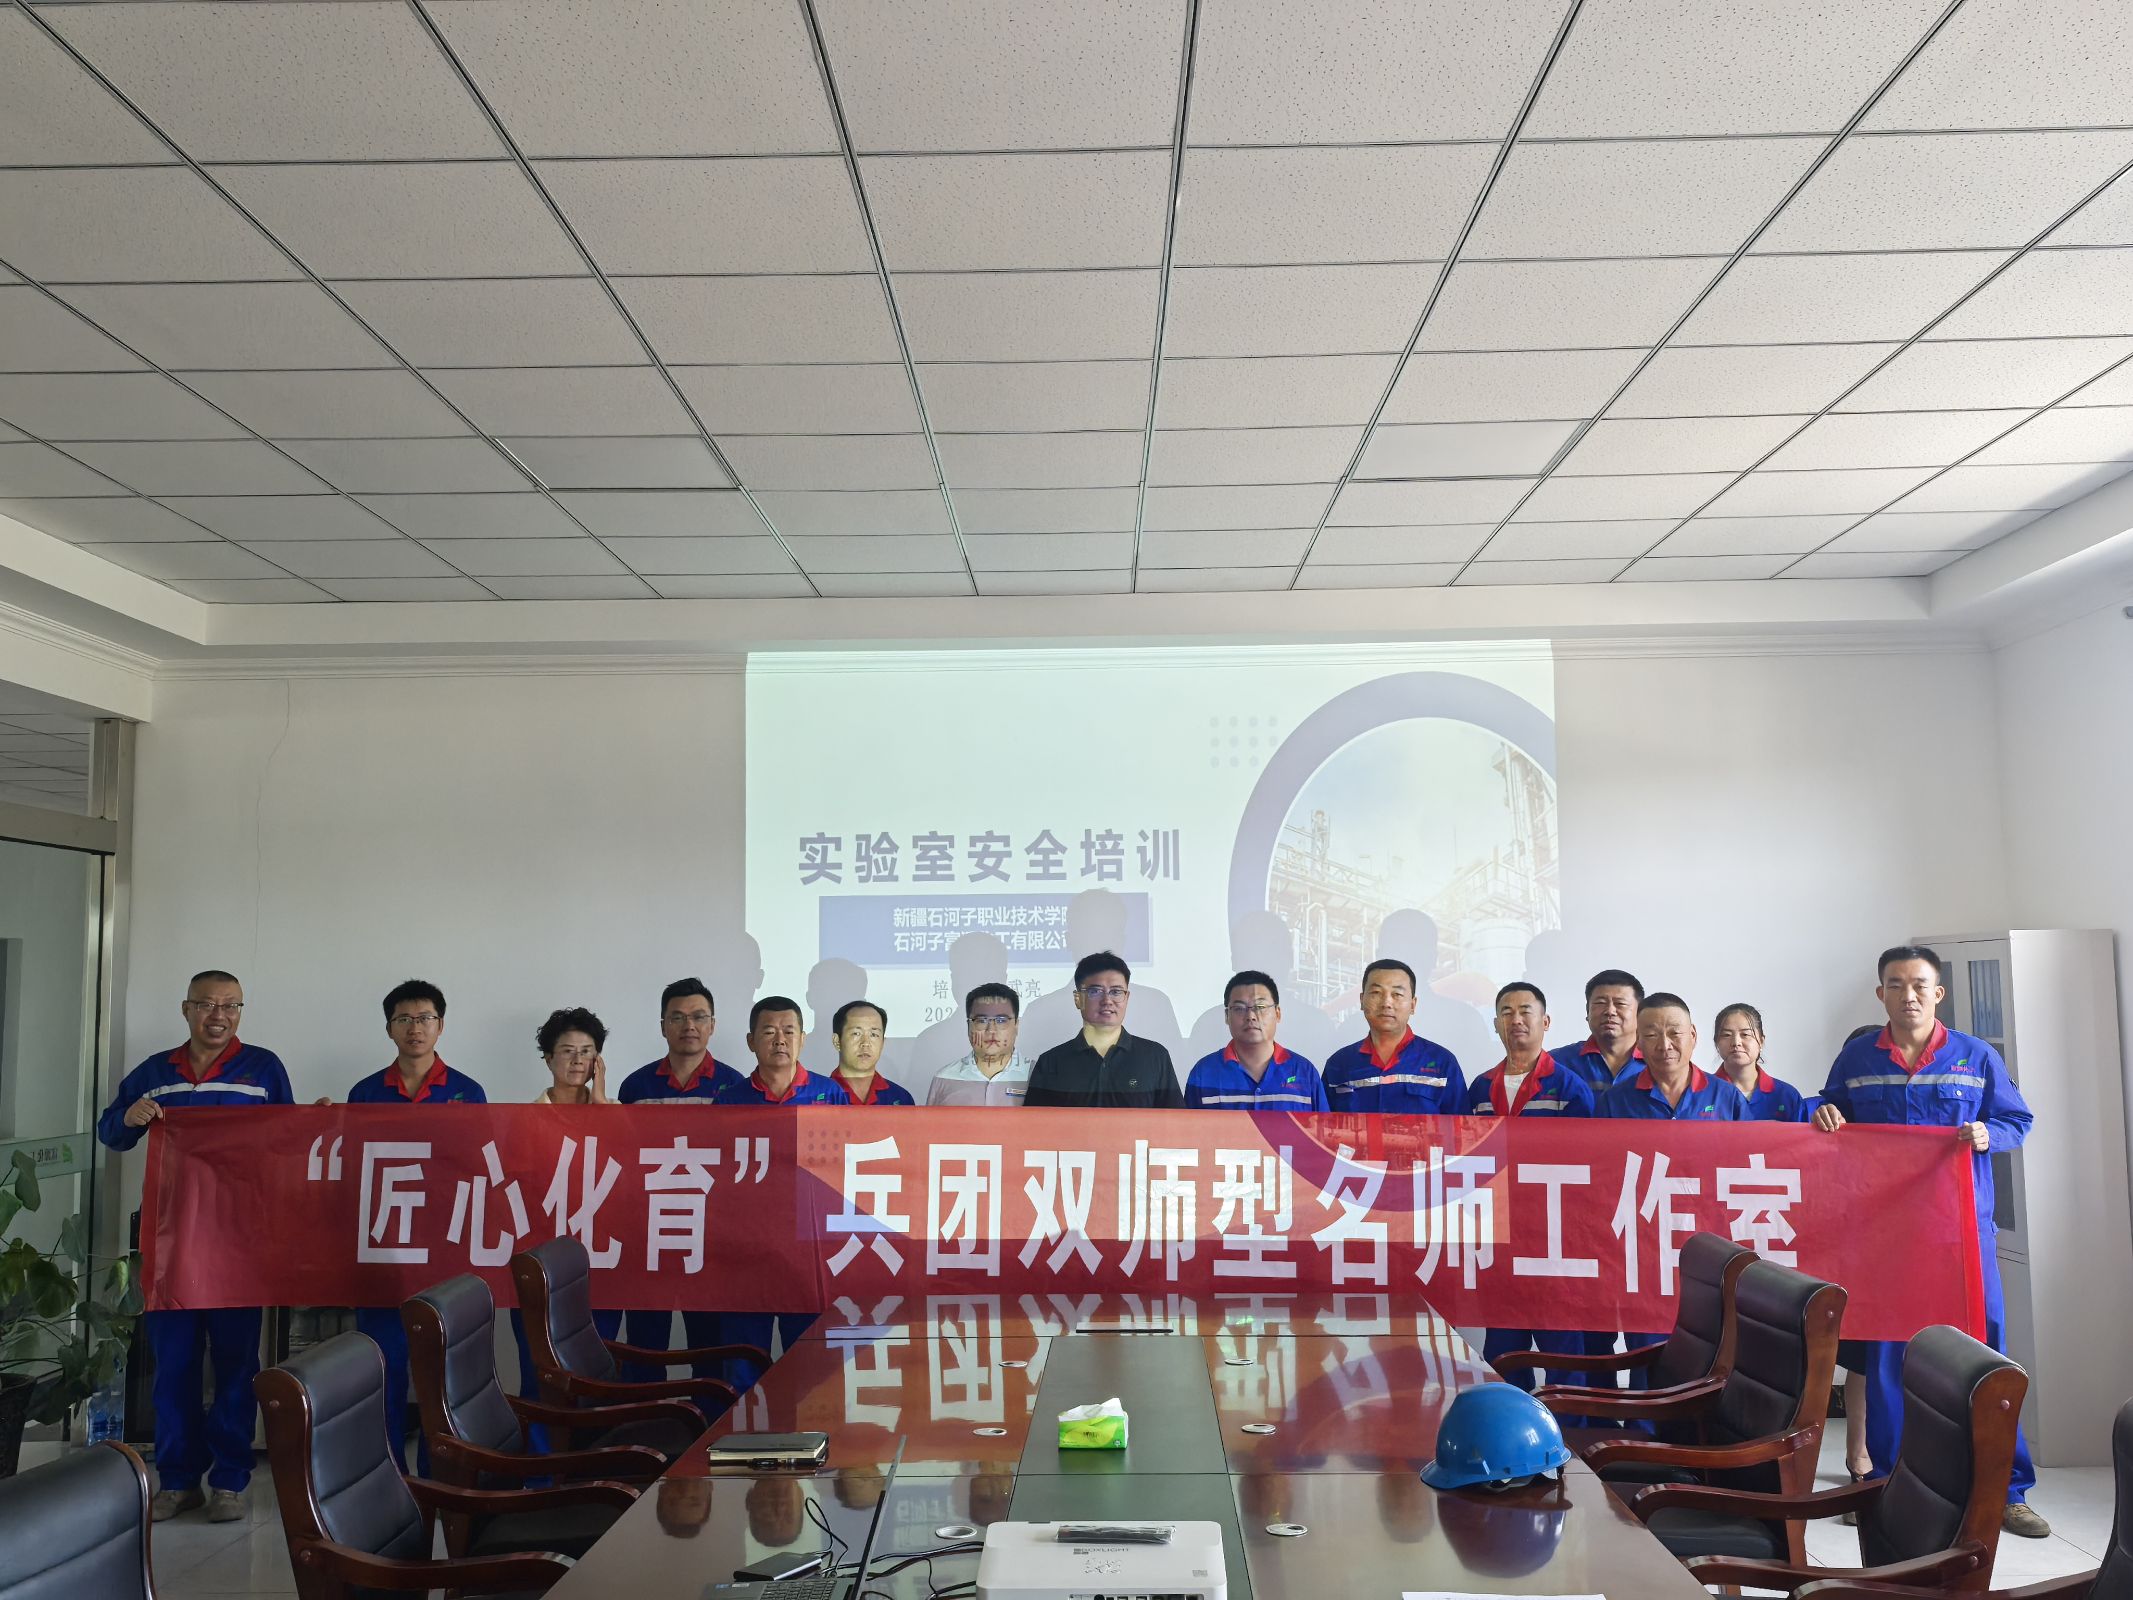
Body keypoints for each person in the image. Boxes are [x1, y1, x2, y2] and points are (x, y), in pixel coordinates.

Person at [1814, 945, 2046, 1539]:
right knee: (1888, 1361)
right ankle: (1886, 1484)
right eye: (1896, 984)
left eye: (1919, 984)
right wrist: (1823, 1112)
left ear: (1938, 993)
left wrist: (1987, 1134)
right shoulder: (1858, 1058)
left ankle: (2006, 1490)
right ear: (1881, 994)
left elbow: (2017, 1120)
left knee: (1986, 1356)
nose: (1908, 995)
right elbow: (1829, 1103)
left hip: (1960, 1237)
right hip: (1885, 1241)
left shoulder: (1975, 1056)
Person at [95, 969, 293, 1523]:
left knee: (236, 1363)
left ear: (240, 1012)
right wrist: (127, 1116)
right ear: (186, 1009)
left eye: (230, 1005)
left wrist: (319, 1121)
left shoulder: (263, 1069)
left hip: (238, 1241)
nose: (218, 1015)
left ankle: (230, 1481)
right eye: (207, 1004)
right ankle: (179, 1480)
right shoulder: (156, 1072)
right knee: (175, 1365)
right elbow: (111, 1133)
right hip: (171, 1239)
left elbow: (288, 1140)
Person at [344, 979, 485, 1470]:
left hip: (443, 1253)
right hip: (383, 1252)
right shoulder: (365, 1093)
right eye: (404, 1019)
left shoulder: (468, 1092)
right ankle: (387, 1475)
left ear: (441, 1027)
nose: (415, 1028)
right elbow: (351, 1169)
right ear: (389, 1029)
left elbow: (479, 1171)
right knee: (383, 1369)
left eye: (425, 1018)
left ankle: (437, 1472)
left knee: (439, 1372)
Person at [1464, 982, 1594, 1389]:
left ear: (1545, 1021)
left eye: (1525, 1011)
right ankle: (1508, 1426)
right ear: (1495, 1024)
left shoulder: (1569, 1088)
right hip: (1499, 1235)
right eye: (1506, 1012)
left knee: (1563, 1348)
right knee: (1503, 1348)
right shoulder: (1480, 1088)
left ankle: (1570, 1430)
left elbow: (1588, 1166)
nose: (1516, 1019)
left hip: (1555, 1238)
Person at [715, 996, 850, 1382]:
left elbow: (844, 1175)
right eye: (769, 1032)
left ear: (803, 1039)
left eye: (789, 1031)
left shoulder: (830, 1095)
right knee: (741, 1367)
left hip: (808, 1255)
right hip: (747, 1255)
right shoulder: (729, 1102)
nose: (780, 1040)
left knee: (810, 1367)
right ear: (750, 1040)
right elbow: (719, 1183)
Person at [615, 978, 744, 1377]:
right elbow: (624, 1158)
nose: (689, 1025)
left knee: (709, 1346)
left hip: (710, 1235)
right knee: (644, 1343)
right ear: (663, 1026)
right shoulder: (635, 1086)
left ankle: (709, 1416)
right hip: (649, 1233)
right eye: (678, 1017)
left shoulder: (735, 1087)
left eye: (699, 1016)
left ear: (712, 1025)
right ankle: (645, 1417)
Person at [515, 1007, 619, 1428]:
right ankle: (542, 1462)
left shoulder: (617, 1113)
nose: (578, 1060)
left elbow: (633, 1178)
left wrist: (602, 1106)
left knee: (597, 1368)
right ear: (548, 1058)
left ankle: (593, 1457)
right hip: (541, 1261)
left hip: (602, 1262)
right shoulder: (523, 1119)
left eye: (587, 1051)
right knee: (539, 1372)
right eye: (567, 1051)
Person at [1023, 951, 1183, 1108]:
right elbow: (1034, 1123)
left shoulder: (1155, 1057)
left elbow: (1175, 1122)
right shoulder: (1050, 1062)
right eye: (1095, 991)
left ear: (1127, 998)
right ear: (1078, 999)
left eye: (1116, 992)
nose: (1107, 1000)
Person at [1320, 958, 1466, 1114]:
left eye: (1397, 994)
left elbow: (1463, 1126)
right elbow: (1322, 1125)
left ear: (1413, 1005)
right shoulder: (1339, 1064)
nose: (1386, 1003)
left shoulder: (1442, 1061)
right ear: (1362, 1001)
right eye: (1376, 993)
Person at [1183, 970, 1329, 1110]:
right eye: (1239, 1008)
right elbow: (1186, 1127)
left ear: (1277, 1013)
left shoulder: (1304, 1072)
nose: (1251, 1016)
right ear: (1227, 1016)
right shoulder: (1204, 1073)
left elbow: (1323, 1126)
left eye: (1260, 1007)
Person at [1595, 993, 1743, 1122]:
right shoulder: (1613, 1102)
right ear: (1638, 1040)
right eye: (1651, 1035)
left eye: (1675, 1033)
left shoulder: (1727, 1097)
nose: (1665, 1046)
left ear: (1693, 1035)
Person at [925, 981, 1034, 1106]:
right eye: (982, 1020)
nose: (991, 1030)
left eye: (1001, 1020)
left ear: (1016, 1025)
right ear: (969, 1025)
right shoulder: (945, 1077)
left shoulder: (1036, 1076)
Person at [1712, 1002, 1806, 1121]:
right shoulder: (1703, 1094)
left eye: (1745, 1034)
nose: (1736, 1042)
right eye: (1726, 1035)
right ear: (1716, 1043)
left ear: (1761, 1041)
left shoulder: (1786, 1095)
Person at [1561, 969, 1644, 1091]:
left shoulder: (1659, 1062)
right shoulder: (1559, 1062)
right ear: (1587, 1012)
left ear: (1641, 1013)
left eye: (1620, 1003)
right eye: (1600, 1003)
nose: (1610, 1011)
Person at [830, 999, 913, 1105]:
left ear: (882, 1042)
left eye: (874, 1034)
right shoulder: (818, 1096)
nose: (865, 1043)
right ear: (837, 1041)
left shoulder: (901, 1098)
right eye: (856, 1033)